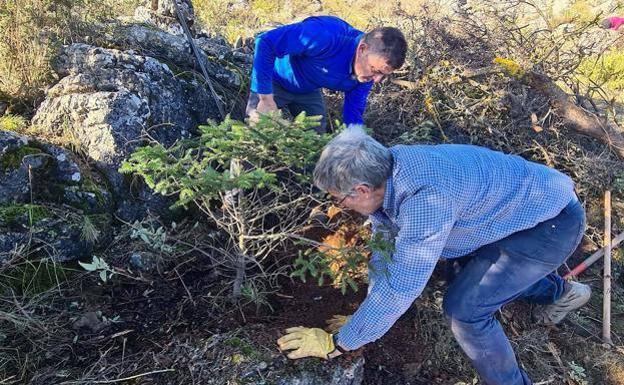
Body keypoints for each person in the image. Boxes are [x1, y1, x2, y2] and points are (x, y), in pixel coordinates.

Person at [277, 128, 592, 385]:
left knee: (464, 310)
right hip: (513, 211)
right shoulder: (389, 169)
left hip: (551, 224)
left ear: (362, 190)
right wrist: (362, 320)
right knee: (468, 269)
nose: (340, 205)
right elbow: (386, 246)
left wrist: (338, 344)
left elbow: (403, 283)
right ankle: (561, 293)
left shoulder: (427, 200)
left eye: (340, 198)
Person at [247, 16, 407, 133]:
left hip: (308, 89)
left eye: (384, 75)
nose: (377, 79)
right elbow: (265, 42)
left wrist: (356, 141)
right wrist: (265, 99)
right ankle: (235, 178)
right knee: (253, 129)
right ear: (362, 49)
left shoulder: (366, 74)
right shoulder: (324, 36)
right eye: (376, 70)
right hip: (275, 80)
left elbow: (353, 113)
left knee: (316, 136)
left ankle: (305, 178)